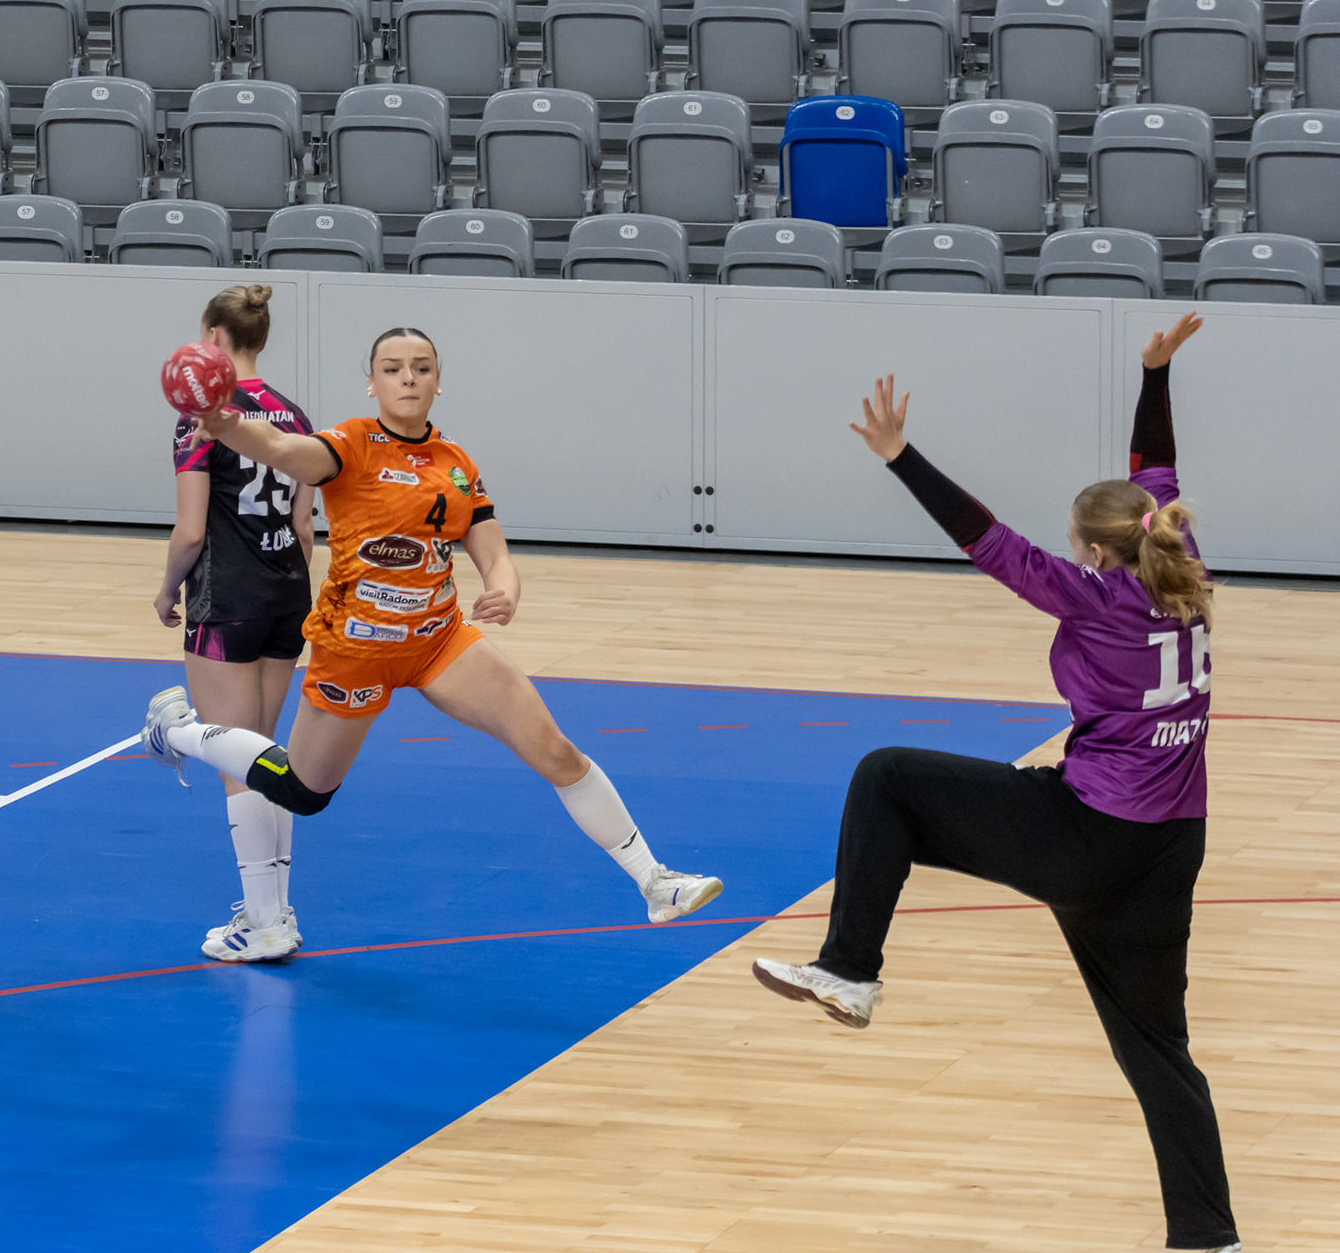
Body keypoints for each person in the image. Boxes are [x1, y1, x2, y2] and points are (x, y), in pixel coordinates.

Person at [752, 312, 1239, 1253]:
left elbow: (991, 543)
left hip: (1087, 835)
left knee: (889, 780)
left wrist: (902, 458)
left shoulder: (1096, 596)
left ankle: (850, 971)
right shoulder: (1183, 564)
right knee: (1159, 1051)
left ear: (1094, 552)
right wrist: (1154, 374)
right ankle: (1207, 1234)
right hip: (1171, 847)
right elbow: (1156, 469)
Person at [144, 327, 724, 949]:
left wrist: (505, 586)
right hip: (356, 651)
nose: (408, 377)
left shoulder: (456, 463)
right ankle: (176, 732)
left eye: (421, 367)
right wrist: (225, 424)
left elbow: (492, 549)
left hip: (439, 641)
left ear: (438, 382)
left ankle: (654, 881)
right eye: (393, 368)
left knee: (554, 750)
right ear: (373, 383)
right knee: (301, 793)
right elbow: (283, 449)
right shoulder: (349, 443)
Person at [154, 286, 317, 963]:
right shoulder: (294, 415)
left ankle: (264, 923)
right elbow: (304, 527)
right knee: (265, 758)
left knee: (235, 763)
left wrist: (168, 590)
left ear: (212, 339)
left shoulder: (202, 418)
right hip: (288, 594)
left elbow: (192, 531)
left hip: (226, 600)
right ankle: (274, 912)